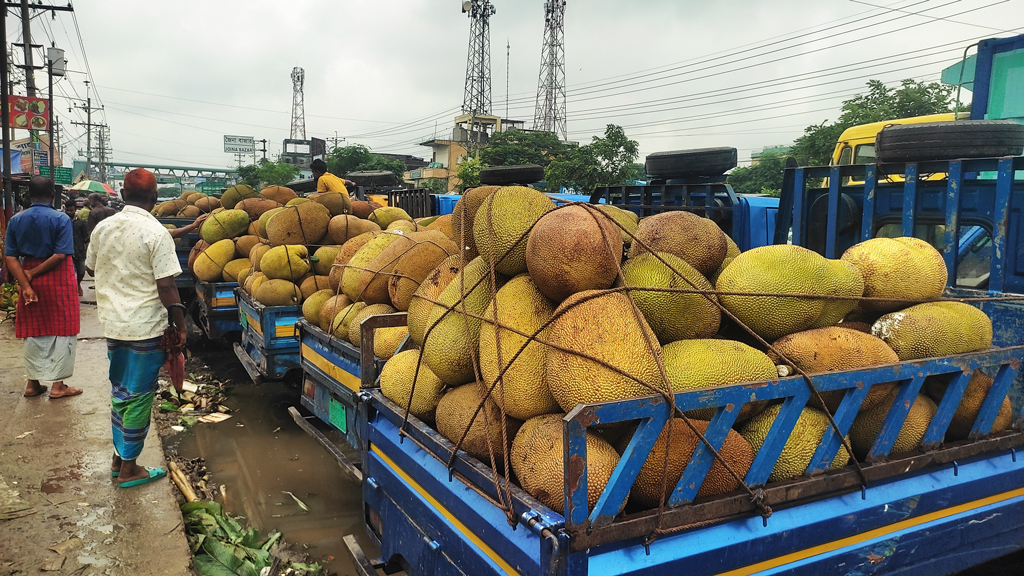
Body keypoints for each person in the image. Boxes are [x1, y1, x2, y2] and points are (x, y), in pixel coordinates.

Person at [86, 168, 185, 488]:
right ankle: (130, 468)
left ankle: (119, 458)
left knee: (121, 390)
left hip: (114, 325)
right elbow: (167, 286)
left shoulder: (103, 227)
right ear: (155, 198)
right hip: (145, 327)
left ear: (122, 194)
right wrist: (180, 326)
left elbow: (89, 267)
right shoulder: (156, 233)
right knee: (140, 395)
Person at [3, 176, 82, 399]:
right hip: (57, 276)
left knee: (33, 329)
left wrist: (26, 283)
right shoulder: (61, 219)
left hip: (27, 272)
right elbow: (60, 254)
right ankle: (58, 386)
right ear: (53, 195)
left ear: (28, 195)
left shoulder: (16, 220)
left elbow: (10, 256)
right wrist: (33, 274)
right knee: (63, 329)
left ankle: (32, 383)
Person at [64, 199, 90, 296]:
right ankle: (72, 288)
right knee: (68, 272)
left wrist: (86, 249)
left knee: (81, 271)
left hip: (79, 250)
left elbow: (86, 237)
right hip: (66, 251)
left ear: (75, 210)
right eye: (68, 210)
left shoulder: (81, 223)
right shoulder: (62, 222)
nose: (69, 212)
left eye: (71, 210)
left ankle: (77, 284)